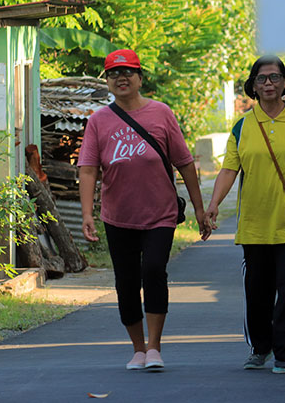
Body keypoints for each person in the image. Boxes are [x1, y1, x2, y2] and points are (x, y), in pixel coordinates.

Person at [78, 49, 211, 371]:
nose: (121, 78)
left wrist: (199, 209)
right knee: (125, 282)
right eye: (113, 74)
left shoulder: (161, 113)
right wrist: (86, 215)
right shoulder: (99, 121)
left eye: (128, 72)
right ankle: (138, 349)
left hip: (160, 213)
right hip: (117, 215)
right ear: (107, 81)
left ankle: (155, 346)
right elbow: (88, 168)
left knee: (153, 270)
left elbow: (185, 163)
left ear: (140, 77)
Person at [204, 55, 285, 375]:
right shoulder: (243, 125)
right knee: (257, 292)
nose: (269, 84)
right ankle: (260, 347)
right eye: (262, 79)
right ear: (253, 86)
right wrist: (213, 204)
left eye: (275, 78)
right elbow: (229, 169)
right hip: (255, 224)